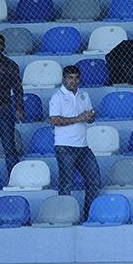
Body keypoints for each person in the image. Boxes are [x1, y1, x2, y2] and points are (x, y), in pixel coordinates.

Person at [49, 65, 100, 221]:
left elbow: (89, 117)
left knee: (94, 180)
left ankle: (88, 216)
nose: (74, 81)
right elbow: (54, 120)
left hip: (83, 146)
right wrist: (79, 118)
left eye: (77, 78)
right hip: (65, 147)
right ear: (64, 79)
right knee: (66, 184)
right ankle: (64, 218)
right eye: (70, 78)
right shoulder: (57, 97)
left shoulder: (84, 95)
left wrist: (90, 117)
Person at [0, 33, 23, 174]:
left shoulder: (11, 65)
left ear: (3, 47)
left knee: (9, 147)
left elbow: (18, 89)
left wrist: (19, 108)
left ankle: (14, 178)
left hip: (3, 109)